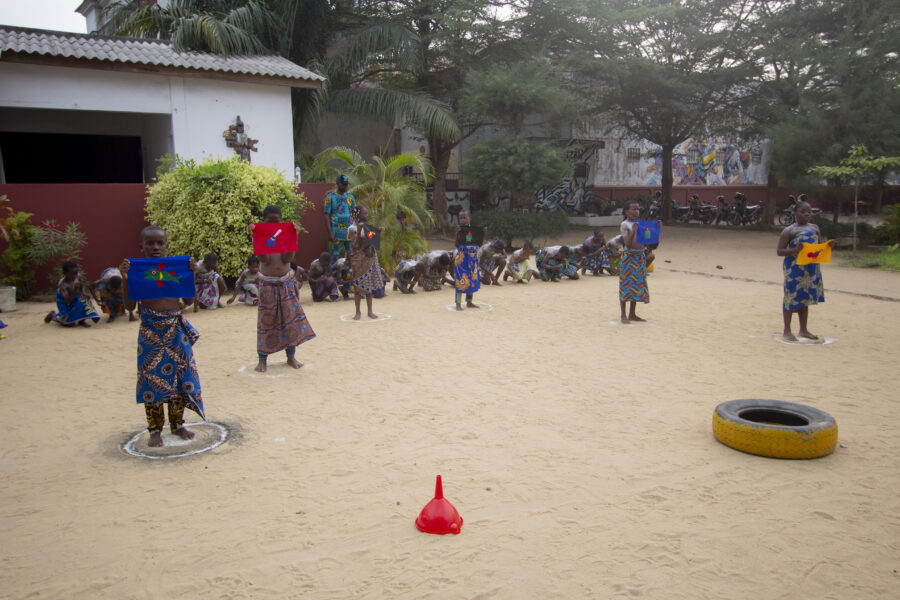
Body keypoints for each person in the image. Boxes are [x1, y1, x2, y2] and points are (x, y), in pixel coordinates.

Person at [120, 226, 203, 447]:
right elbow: (129, 306)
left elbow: (188, 301)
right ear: (142, 247)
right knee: (152, 380)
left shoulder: (176, 269)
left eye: (159, 243)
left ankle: (178, 425)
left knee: (179, 379)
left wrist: (191, 274)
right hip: (150, 333)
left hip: (176, 332)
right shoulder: (137, 273)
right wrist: (125, 278)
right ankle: (155, 429)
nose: (155, 247)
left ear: (167, 245)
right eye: (150, 243)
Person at [250, 205, 316, 372]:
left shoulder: (285, 235)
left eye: (276, 222)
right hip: (268, 285)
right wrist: (255, 237)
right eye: (269, 222)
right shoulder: (262, 237)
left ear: (281, 221)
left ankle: (291, 356)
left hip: (286, 284)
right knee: (266, 322)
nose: (273, 225)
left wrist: (294, 237)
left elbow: (287, 258)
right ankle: (262, 359)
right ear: (263, 222)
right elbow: (264, 260)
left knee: (290, 321)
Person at [777, 201, 830, 341]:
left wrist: (827, 247)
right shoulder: (789, 231)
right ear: (795, 213)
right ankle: (787, 330)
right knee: (790, 296)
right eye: (803, 211)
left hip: (810, 267)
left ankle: (803, 329)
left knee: (805, 297)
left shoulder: (815, 228)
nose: (807, 214)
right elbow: (780, 251)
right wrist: (795, 250)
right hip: (794, 268)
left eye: (809, 211)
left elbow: (817, 247)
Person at [348, 206, 384, 320]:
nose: (367, 216)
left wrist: (379, 233)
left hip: (369, 259)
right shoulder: (352, 229)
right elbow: (355, 245)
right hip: (359, 261)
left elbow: (373, 243)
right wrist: (359, 232)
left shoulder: (368, 228)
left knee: (369, 287)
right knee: (357, 287)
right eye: (365, 214)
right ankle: (357, 312)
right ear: (358, 215)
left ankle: (370, 311)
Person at [619, 199, 649, 323]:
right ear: (627, 211)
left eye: (638, 209)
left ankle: (632, 313)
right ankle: (623, 315)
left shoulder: (640, 223)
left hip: (639, 257)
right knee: (626, 286)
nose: (637, 211)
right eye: (633, 209)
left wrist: (655, 230)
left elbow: (648, 241)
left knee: (636, 286)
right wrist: (634, 231)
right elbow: (627, 244)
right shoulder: (625, 224)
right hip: (629, 258)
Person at [44, 261, 101, 327]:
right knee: (69, 324)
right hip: (63, 300)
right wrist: (75, 289)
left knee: (84, 301)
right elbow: (68, 301)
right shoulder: (62, 284)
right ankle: (53, 316)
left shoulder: (77, 276)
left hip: (75, 296)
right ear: (65, 273)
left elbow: (82, 285)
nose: (75, 276)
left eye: (76, 273)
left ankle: (81, 321)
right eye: (72, 274)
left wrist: (83, 293)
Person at [453, 211, 484, 310]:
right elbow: (457, 245)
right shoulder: (459, 230)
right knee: (461, 279)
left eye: (464, 217)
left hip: (472, 257)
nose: (462, 219)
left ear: (470, 218)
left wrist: (483, 234)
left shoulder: (473, 231)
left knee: (472, 278)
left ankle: (469, 302)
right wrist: (457, 233)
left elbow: (478, 243)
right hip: (462, 258)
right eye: (460, 217)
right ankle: (458, 303)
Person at [323, 174, 355, 263]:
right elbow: (326, 215)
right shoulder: (330, 198)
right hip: (336, 231)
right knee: (335, 254)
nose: (345, 186)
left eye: (346, 184)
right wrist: (330, 233)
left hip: (349, 231)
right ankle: (334, 273)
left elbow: (355, 213)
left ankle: (350, 273)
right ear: (337, 184)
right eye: (343, 184)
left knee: (351, 253)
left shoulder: (350, 197)